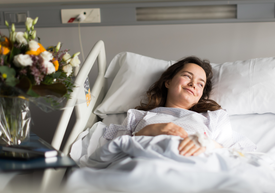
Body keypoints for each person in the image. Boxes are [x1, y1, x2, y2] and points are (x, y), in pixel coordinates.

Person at [103, 56, 256, 156]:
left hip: (195, 166)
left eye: (200, 84)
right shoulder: (138, 116)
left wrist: (208, 144)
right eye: (187, 76)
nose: (193, 84)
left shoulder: (211, 118)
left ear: (201, 95)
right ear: (168, 82)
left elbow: (240, 155)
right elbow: (111, 150)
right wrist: (149, 130)